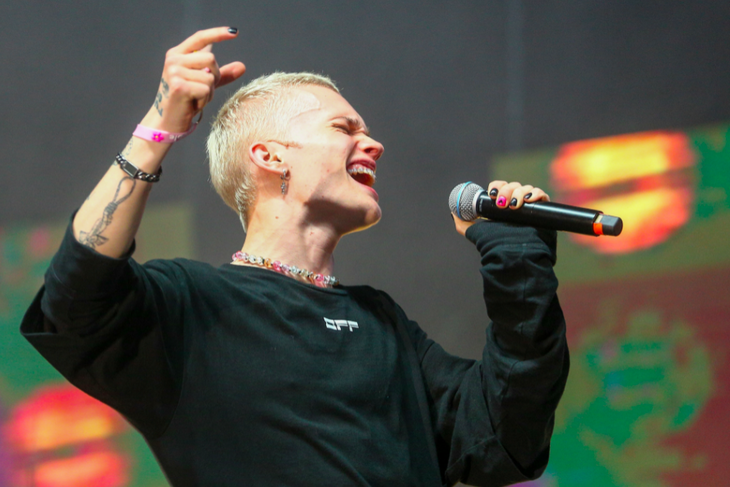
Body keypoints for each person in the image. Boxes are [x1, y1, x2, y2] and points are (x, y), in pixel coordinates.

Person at [20, 27, 569, 486]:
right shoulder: (194, 306)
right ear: (270, 156)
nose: (374, 144)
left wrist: (518, 256)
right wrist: (157, 128)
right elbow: (76, 297)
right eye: (344, 128)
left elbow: (505, 438)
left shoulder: (384, 323)